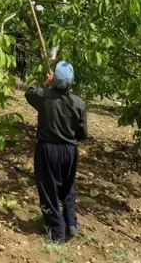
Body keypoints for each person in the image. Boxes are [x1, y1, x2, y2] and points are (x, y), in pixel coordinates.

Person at [25, 61, 87, 243]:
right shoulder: (78, 102)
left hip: (48, 149)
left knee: (48, 189)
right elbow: (82, 133)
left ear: (54, 79)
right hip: (70, 150)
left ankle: (57, 232)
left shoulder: (44, 96)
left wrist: (46, 83)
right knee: (68, 186)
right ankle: (71, 224)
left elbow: (29, 92)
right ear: (72, 82)